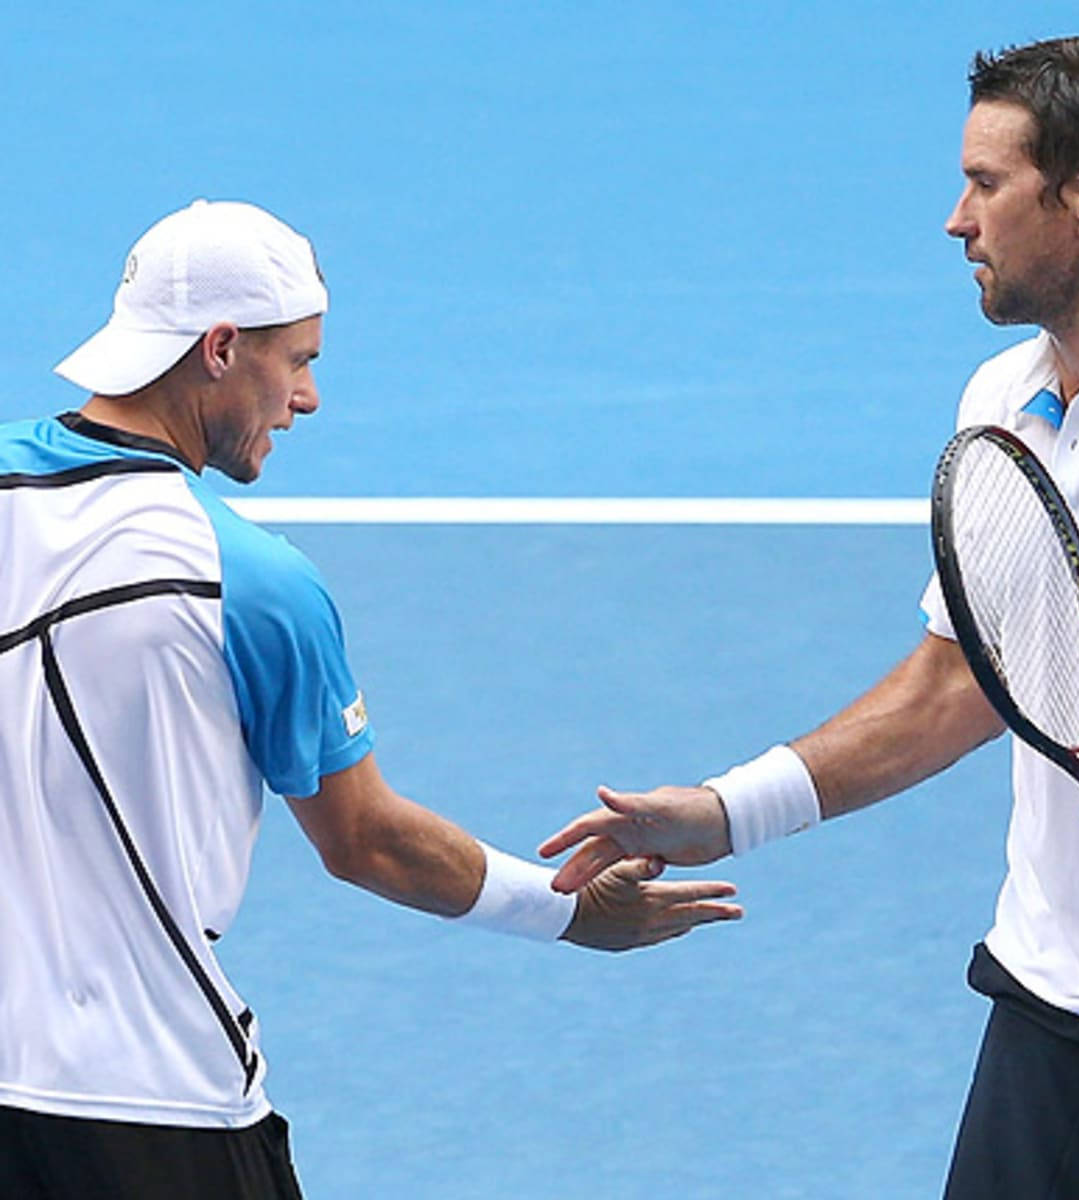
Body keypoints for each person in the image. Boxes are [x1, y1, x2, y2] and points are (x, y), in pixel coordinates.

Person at [539, 35, 1079, 1199]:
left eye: (986, 184)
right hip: (1070, 982)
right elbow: (959, 685)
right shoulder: (1003, 408)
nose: (957, 220)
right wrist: (724, 813)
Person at [0, 198, 743, 1199]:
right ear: (220, 348)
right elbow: (367, 842)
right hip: (146, 1101)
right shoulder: (251, 582)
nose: (305, 398)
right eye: (297, 361)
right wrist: (568, 916)